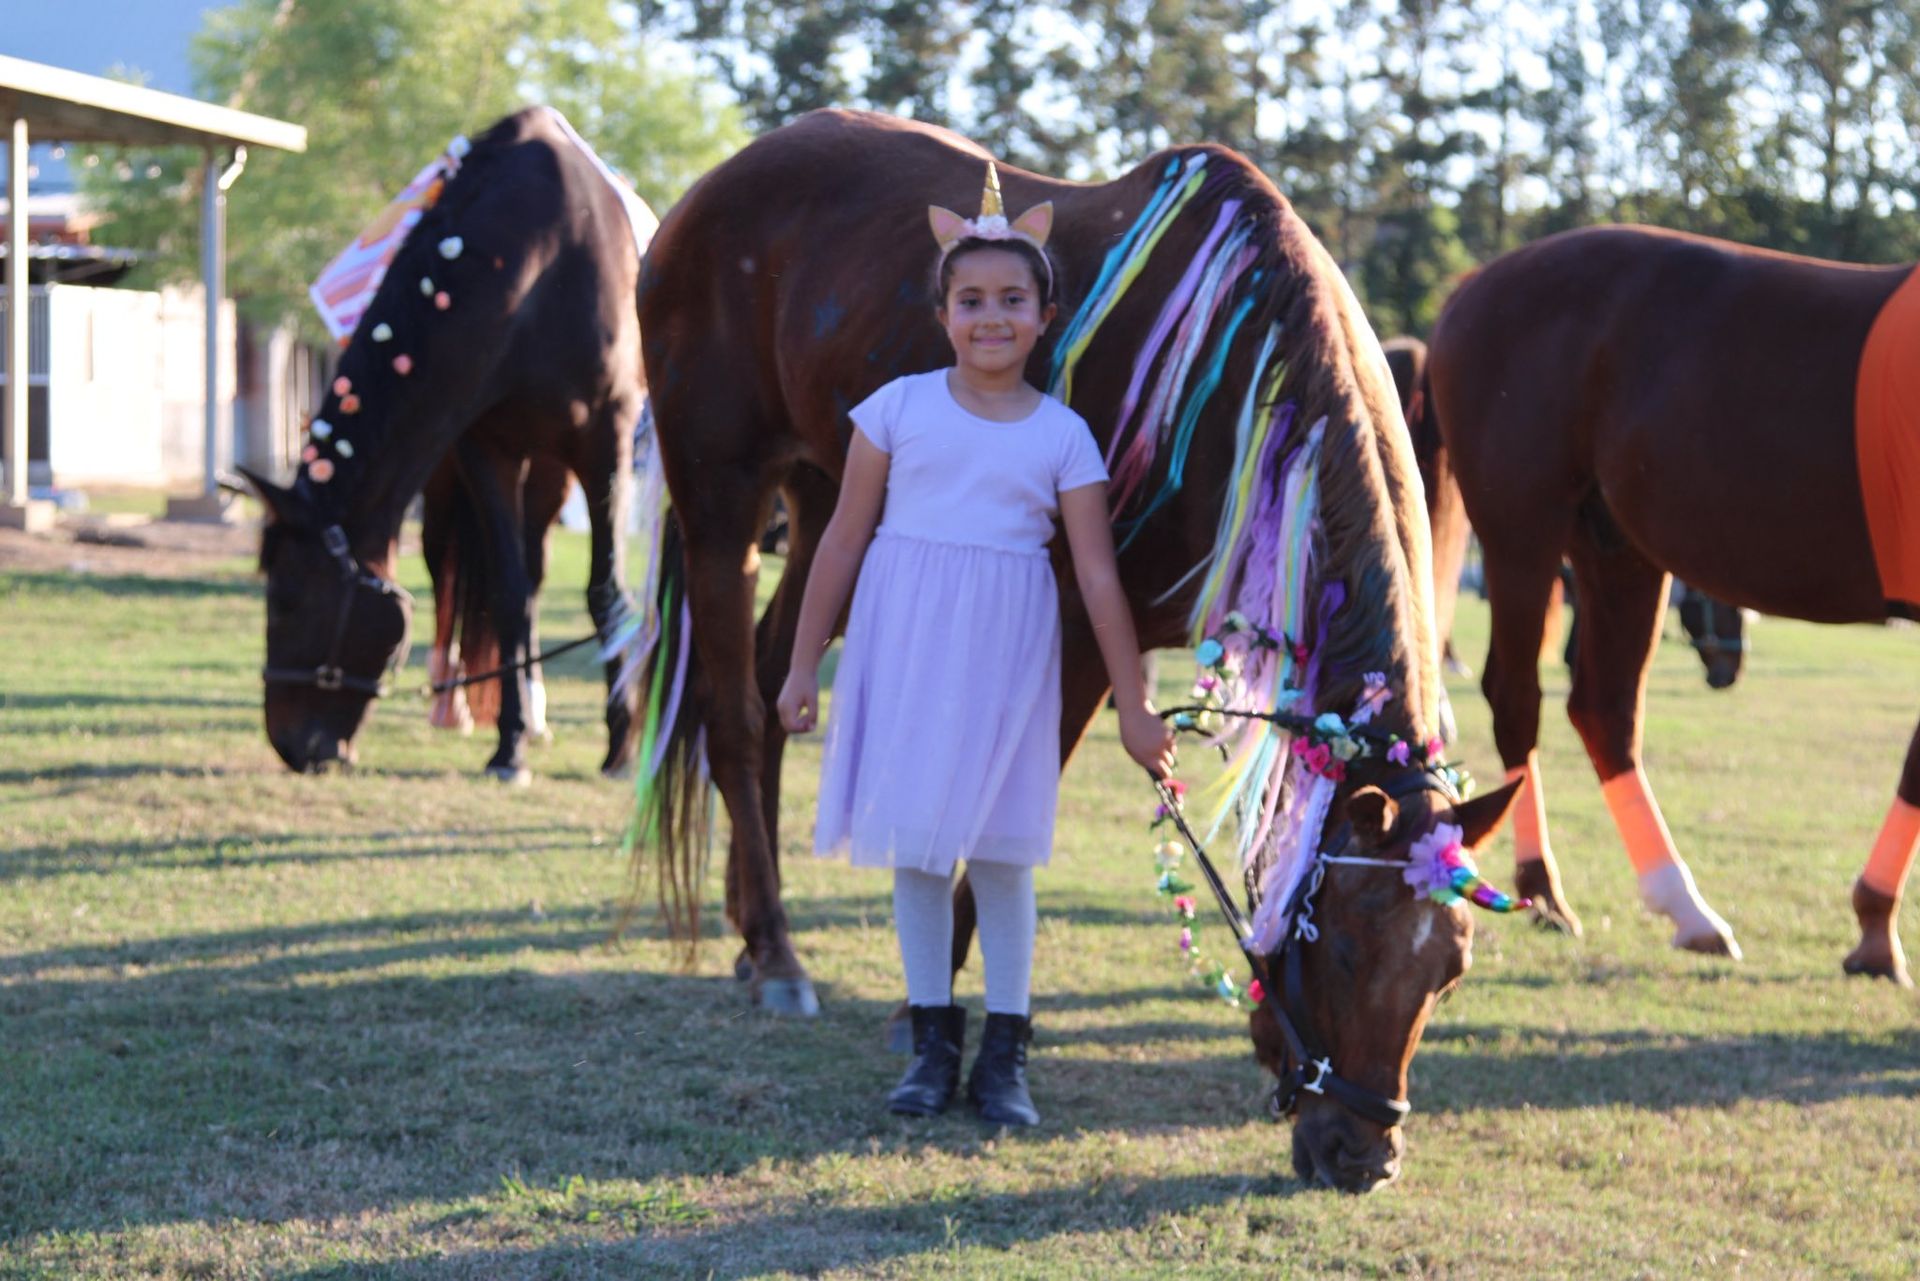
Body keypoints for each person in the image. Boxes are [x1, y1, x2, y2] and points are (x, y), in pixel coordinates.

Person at [777, 164, 1174, 1127]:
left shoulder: (1063, 436)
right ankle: (928, 1043)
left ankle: (1006, 1054)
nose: (989, 317)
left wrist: (1133, 702)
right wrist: (799, 663)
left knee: (1000, 853)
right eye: (970, 300)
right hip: (905, 636)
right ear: (943, 311)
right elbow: (838, 539)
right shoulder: (897, 411)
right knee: (917, 845)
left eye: (1011, 299)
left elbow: (1096, 576)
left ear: (1044, 315)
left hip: (1006, 649)